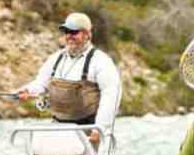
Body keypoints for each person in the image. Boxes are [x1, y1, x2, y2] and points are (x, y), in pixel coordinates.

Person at [14, 12, 121, 145]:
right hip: (57, 129)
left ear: (87, 35)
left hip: (88, 131)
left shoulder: (101, 61)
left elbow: (111, 97)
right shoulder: (55, 58)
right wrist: (27, 91)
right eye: (66, 31)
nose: (69, 36)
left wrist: (100, 129)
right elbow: (41, 83)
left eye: (74, 32)